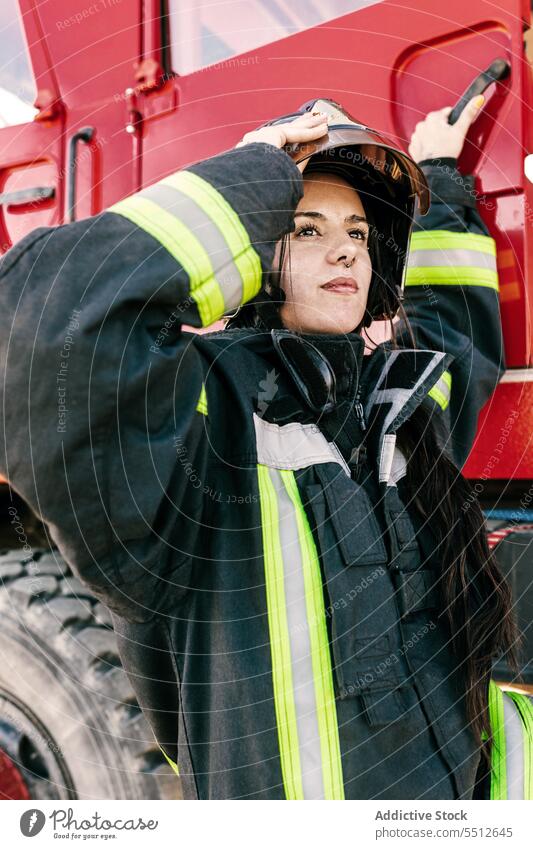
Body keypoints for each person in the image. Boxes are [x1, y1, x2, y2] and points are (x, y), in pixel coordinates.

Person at [0, 96, 522, 801]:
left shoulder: (394, 416)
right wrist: (256, 175)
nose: (344, 249)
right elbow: (48, 321)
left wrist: (439, 180)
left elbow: (452, 334)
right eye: (307, 229)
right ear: (250, 256)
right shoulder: (198, 431)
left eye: (360, 234)